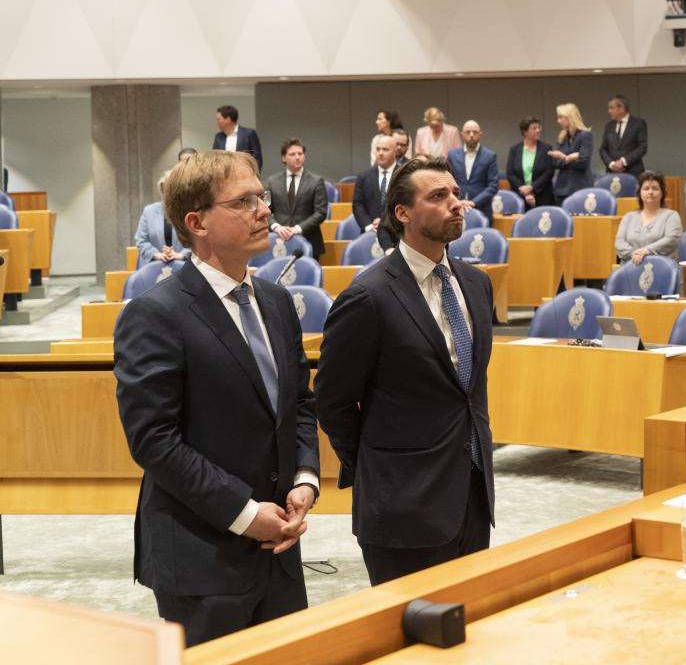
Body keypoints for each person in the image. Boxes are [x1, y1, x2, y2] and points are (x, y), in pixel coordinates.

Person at [114, 151, 318, 645]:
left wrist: (305, 480)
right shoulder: (155, 314)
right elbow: (154, 442)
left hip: (281, 549)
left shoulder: (274, 301)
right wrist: (247, 516)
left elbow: (299, 404)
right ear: (196, 221)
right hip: (202, 555)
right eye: (244, 201)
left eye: (262, 197)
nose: (264, 211)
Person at [316, 155, 495, 586]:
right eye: (438, 196)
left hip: (471, 493)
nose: (456, 203)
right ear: (403, 213)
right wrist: (377, 467)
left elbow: (468, 392)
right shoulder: (368, 296)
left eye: (455, 193)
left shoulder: (476, 283)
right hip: (401, 507)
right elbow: (332, 400)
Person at [267, 139, 329, 258]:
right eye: (292, 154)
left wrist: (298, 228)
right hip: (279, 240)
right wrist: (276, 227)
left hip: (309, 239)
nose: (297, 157)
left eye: (300, 154)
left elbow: (320, 212)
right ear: (283, 158)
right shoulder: (271, 182)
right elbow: (265, 211)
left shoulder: (316, 181)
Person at [614, 171, 682, 266]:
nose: (650, 192)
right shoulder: (628, 217)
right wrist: (635, 253)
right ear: (639, 193)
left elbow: (671, 240)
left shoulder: (671, 216)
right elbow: (619, 243)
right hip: (630, 268)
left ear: (662, 193)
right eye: (646, 188)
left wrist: (646, 251)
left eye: (655, 188)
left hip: (662, 269)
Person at [353, 135, 399, 250]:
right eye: (378, 149)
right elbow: (358, 204)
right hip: (369, 233)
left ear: (395, 152)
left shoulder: (404, 175)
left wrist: (386, 224)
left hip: (397, 235)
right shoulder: (364, 176)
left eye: (385, 149)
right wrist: (369, 226)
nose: (380, 153)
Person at [135, 173, 189, 263]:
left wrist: (181, 255)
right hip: (154, 266)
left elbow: (196, 240)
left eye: (173, 190)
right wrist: (157, 254)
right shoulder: (148, 211)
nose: (169, 194)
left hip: (183, 264)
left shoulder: (188, 211)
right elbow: (141, 240)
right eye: (166, 190)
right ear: (162, 190)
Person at [447, 121, 499, 212]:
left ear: (480, 134)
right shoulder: (452, 155)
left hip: (481, 208)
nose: (471, 135)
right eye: (468, 132)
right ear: (462, 134)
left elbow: (493, 186)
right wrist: (458, 201)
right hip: (456, 207)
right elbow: (448, 182)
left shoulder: (490, 156)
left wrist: (473, 202)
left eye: (475, 132)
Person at [507, 117, 557, 209]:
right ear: (525, 132)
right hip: (520, 197)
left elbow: (549, 172)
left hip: (543, 196)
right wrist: (524, 190)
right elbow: (511, 174)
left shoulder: (546, 148)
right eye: (534, 128)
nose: (538, 130)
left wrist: (531, 188)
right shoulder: (515, 150)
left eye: (539, 128)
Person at [548, 103, 593, 202]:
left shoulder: (585, 135)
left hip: (580, 187)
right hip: (562, 189)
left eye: (560, 117)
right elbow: (554, 162)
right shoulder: (562, 137)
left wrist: (563, 158)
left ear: (570, 117)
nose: (558, 121)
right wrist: (569, 158)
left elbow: (583, 162)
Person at [600, 95, 648, 174]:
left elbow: (642, 147)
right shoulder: (608, 126)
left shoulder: (638, 124)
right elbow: (603, 149)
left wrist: (623, 161)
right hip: (612, 173)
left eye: (611, 108)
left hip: (633, 172)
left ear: (622, 108)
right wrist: (611, 164)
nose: (609, 111)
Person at [213, 105, 263, 171]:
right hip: (224, 177)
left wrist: (252, 176)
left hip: (245, 176)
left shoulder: (249, 133)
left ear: (228, 119)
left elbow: (257, 158)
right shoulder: (218, 137)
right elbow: (214, 159)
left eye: (219, 119)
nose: (217, 122)